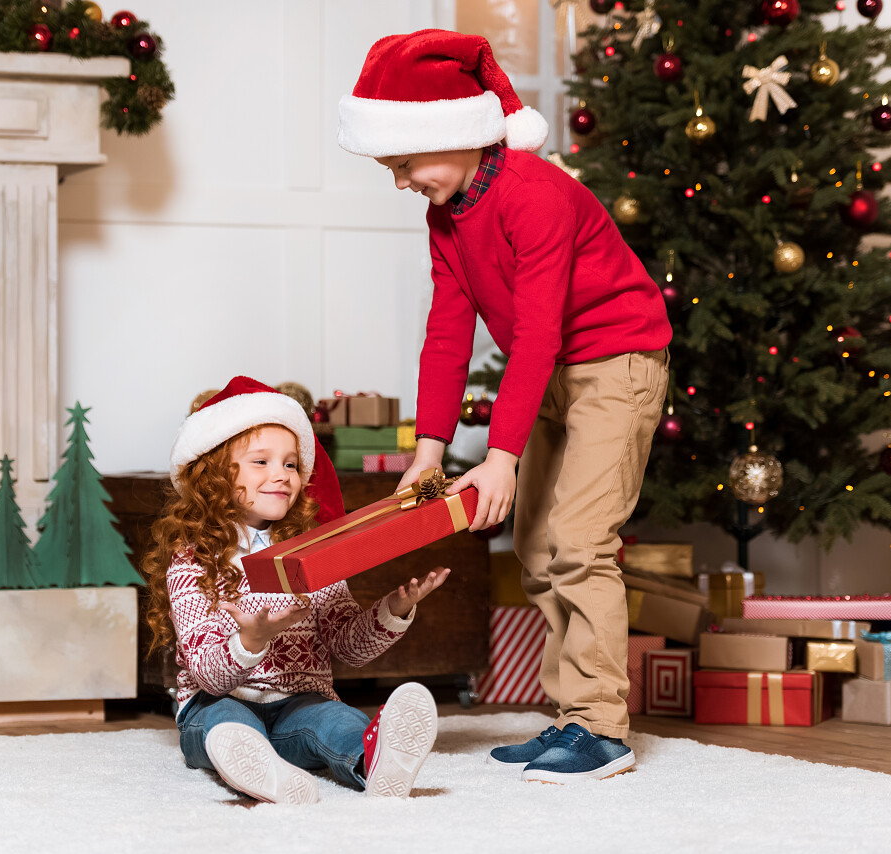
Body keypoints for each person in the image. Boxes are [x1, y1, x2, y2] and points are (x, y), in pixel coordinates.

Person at [338, 30, 672, 784]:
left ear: (455, 133)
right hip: (551, 374)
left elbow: (537, 334)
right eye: (391, 169)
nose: (400, 183)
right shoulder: (446, 215)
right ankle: (570, 716)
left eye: (404, 164)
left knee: (580, 542)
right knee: (537, 550)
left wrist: (500, 458)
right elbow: (447, 332)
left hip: (615, 365)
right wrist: (429, 452)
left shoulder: (535, 195)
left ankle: (602, 729)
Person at [141, 376, 449, 803]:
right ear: (214, 475)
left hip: (298, 702)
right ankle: (261, 770)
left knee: (336, 720)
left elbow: (347, 646)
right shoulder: (193, 560)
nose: (281, 475)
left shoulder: (313, 551)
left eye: (290, 465)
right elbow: (208, 676)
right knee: (225, 722)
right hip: (217, 701)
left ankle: (373, 761)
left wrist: (393, 610)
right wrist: (251, 640)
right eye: (261, 462)